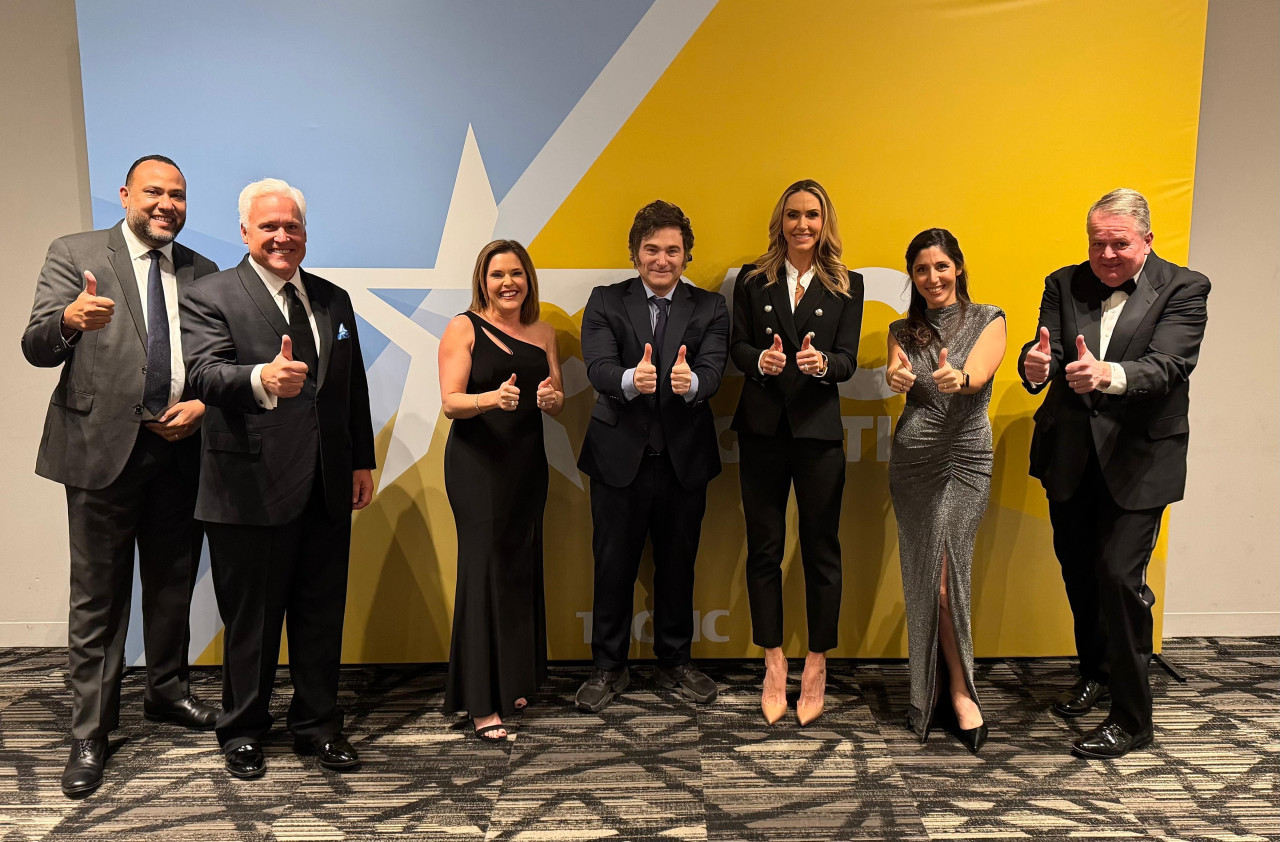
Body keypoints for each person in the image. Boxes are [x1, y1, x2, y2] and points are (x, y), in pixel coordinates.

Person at [21, 155, 220, 796]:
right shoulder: (76, 251)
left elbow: (213, 363)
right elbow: (35, 345)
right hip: (101, 452)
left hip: (179, 452)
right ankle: (90, 730)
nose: (167, 203)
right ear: (126, 194)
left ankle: (167, 693)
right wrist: (68, 322)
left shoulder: (202, 271)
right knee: (99, 598)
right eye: (154, 192)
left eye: (178, 195)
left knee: (171, 587)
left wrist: (206, 405)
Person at [180, 178, 376, 779]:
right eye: (269, 227)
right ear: (245, 232)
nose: (282, 236)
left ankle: (318, 725)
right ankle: (241, 729)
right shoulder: (210, 294)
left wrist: (360, 459)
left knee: (321, 613)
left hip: (326, 484)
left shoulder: (333, 299)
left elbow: (351, 387)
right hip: (249, 489)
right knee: (253, 621)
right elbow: (203, 376)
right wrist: (262, 380)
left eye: (292, 226)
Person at [1019, 188, 1209, 759]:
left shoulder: (1185, 287)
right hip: (1071, 454)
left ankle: (1132, 717)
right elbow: (1047, 348)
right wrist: (1036, 364)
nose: (1106, 254)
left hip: (1140, 456)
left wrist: (1108, 374)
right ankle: (1096, 674)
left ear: (1147, 240)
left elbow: (1170, 364)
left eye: (1119, 244)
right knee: (1079, 571)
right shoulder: (1063, 280)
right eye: (1097, 242)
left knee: (1119, 578)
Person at [575, 200, 729, 713]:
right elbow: (596, 365)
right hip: (618, 457)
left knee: (678, 565)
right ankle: (608, 667)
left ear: (686, 256)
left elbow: (713, 369)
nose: (661, 260)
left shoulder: (710, 307)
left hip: (684, 458)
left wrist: (692, 384)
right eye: (651, 250)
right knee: (612, 564)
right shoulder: (605, 301)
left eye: (672, 250)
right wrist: (628, 379)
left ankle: (675, 662)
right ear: (635, 253)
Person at [728, 179, 864, 726]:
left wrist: (824, 366)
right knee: (763, 549)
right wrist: (758, 360)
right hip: (762, 430)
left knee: (820, 549)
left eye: (812, 215)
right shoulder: (751, 280)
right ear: (779, 221)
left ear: (825, 222)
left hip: (817, 434)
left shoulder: (847, 285)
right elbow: (737, 344)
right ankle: (774, 662)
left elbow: (848, 359)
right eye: (792, 215)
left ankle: (816, 663)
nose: (802, 225)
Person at [438, 240, 563, 740]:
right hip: (477, 466)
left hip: (528, 464)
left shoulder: (544, 332)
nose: (508, 282)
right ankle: (481, 702)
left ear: (528, 279)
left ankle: (514, 680)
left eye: (516, 273)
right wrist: (494, 398)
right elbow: (450, 402)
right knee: (483, 570)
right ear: (482, 281)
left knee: (518, 569)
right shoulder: (462, 327)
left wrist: (552, 399)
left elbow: (553, 399)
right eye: (497, 275)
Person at [886, 228, 1006, 752]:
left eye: (941, 267)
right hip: (914, 457)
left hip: (965, 455)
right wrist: (895, 376)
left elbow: (978, 374)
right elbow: (895, 369)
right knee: (923, 576)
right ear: (911, 276)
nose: (932, 278)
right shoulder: (901, 329)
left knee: (946, 576)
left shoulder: (990, 318)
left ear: (958, 266)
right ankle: (940, 687)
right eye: (921, 270)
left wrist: (960, 377)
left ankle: (957, 689)